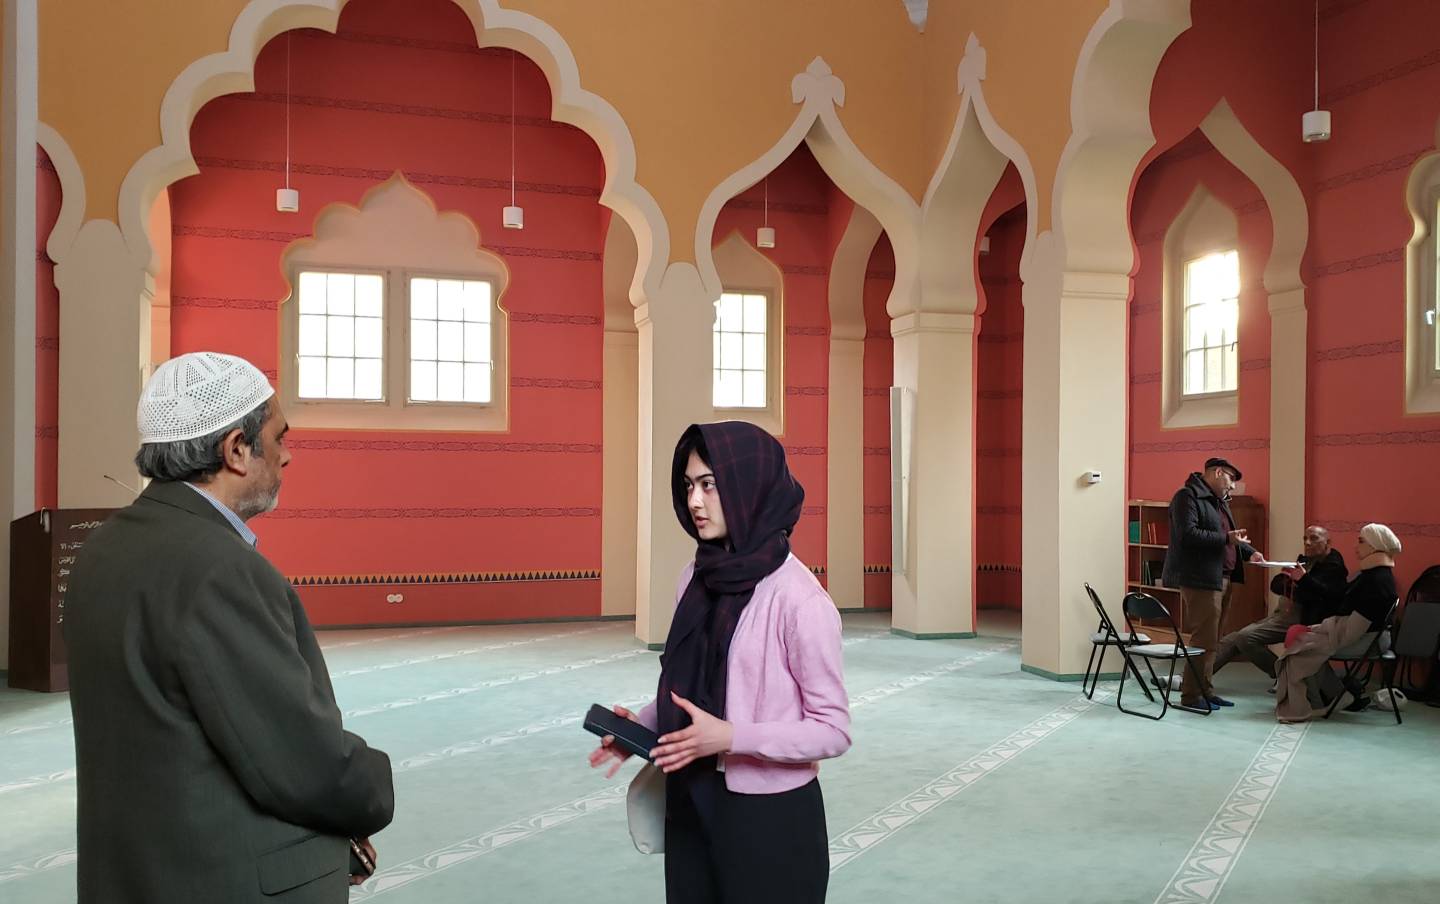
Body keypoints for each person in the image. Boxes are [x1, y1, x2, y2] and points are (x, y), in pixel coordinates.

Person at [65, 352, 395, 903]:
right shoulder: (221, 571)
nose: (288, 457)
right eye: (280, 438)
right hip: (222, 876)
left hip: (137, 870)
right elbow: (299, 759)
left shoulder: (104, 547)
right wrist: (370, 790)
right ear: (236, 450)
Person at [588, 422, 850, 903]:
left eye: (710, 484)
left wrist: (731, 737)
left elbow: (833, 730)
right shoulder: (696, 575)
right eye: (689, 485)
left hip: (769, 818)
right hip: (691, 797)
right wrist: (644, 727)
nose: (694, 501)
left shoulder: (799, 601)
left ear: (751, 487)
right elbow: (693, 685)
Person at [1161, 457, 1264, 712]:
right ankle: (1190, 696)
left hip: (1221, 576)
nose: (1232, 486)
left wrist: (1249, 552)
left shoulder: (1218, 501)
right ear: (1218, 472)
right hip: (1200, 578)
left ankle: (1206, 690)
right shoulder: (1187, 497)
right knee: (1203, 639)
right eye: (1230, 479)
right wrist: (1227, 538)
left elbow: (1230, 538)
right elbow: (1188, 535)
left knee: (1213, 641)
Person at [1275, 523, 1401, 723]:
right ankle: (1335, 698)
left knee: (1297, 651)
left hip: (1368, 641)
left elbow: (1351, 631)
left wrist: (1320, 632)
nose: (1355, 546)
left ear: (1374, 546)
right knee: (1301, 641)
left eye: (1361, 541)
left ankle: (1300, 709)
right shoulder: (1373, 575)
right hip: (1361, 634)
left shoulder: (1377, 581)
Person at [1213, 525, 1348, 684]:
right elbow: (1276, 584)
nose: (1308, 543)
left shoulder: (1333, 566)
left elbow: (1319, 595)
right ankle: (1197, 678)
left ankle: (1283, 673)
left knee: (1244, 638)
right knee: (1233, 639)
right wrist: (1294, 583)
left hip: (1302, 619)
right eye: (1305, 539)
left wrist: (1300, 582)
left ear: (1328, 542)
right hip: (1282, 614)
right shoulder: (1305, 560)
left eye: (1314, 539)